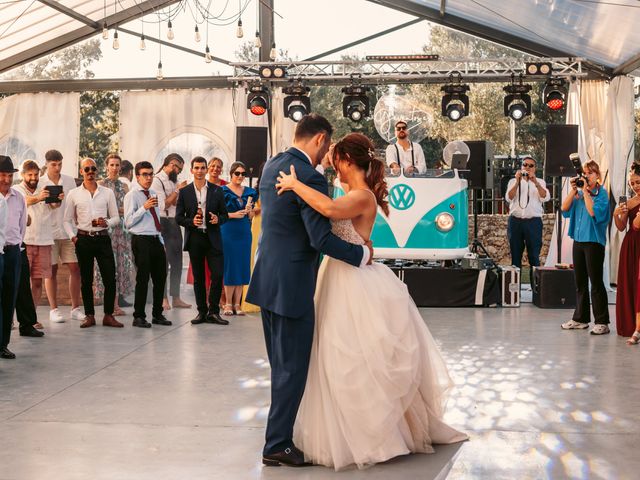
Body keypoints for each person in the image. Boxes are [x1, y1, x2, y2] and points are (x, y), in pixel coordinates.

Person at [275, 132, 467, 470]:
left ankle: (370, 433)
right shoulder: (354, 192)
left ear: (348, 162)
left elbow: (330, 209)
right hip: (339, 275)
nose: (332, 165)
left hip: (354, 281)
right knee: (336, 352)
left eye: (335, 160)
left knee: (355, 355)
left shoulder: (361, 195)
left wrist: (294, 184)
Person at [245, 114, 373, 468]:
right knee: (293, 368)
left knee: (280, 366)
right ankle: (277, 444)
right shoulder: (311, 177)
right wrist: (361, 254)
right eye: (326, 147)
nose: (326, 156)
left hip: (267, 280)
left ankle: (280, 435)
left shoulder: (272, 165)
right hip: (292, 286)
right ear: (319, 139)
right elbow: (320, 238)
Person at [63, 158, 123, 329]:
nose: (90, 171)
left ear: (97, 171)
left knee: (110, 278)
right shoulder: (73, 194)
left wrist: (107, 223)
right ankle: (89, 315)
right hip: (83, 239)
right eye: (86, 169)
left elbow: (116, 218)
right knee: (86, 279)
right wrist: (73, 237)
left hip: (103, 238)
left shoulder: (107, 193)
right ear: (81, 172)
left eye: (93, 169)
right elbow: (66, 220)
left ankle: (108, 315)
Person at [175, 156, 229, 326]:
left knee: (218, 274)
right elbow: (178, 218)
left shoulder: (217, 190)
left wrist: (217, 219)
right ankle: (202, 312)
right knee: (199, 278)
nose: (199, 171)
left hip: (213, 237)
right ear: (191, 170)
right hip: (195, 238)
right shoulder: (184, 192)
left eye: (202, 168)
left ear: (206, 170)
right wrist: (191, 222)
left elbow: (225, 215)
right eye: (196, 168)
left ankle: (214, 312)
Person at [560, 160, 611, 335]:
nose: (587, 176)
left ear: (597, 175)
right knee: (580, 282)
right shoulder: (579, 193)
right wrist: (574, 190)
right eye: (585, 172)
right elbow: (564, 208)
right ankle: (580, 319)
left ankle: (602, 322)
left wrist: (586, 192)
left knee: (596, 282)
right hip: (579, 240)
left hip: (594, 242)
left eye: (590, 173)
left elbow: (593, 212)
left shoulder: (602, 194)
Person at [124, 161, 171, 328]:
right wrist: (144, 207)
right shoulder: (132, 195)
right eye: (145, 174)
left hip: (155, 239)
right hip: (141, 239)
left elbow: (155, 219)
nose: (149, 177)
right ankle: (138, 316)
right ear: (137, 176)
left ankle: (158, 314)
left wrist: (161, 240)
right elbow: (128, 222)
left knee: (160, 278)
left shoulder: (153, 192)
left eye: (151, 174)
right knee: (143, 279)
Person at [40, 149, 83, 323]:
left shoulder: (69, 180)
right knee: (51, 271)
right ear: (47, 164)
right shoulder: (40, 182)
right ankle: (53, 309)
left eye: (60, 164)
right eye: (53, 164)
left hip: (67, 231)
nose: (57, 168)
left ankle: (75, 308)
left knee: (75, 268)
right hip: (48, 233)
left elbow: (75, 205)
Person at [14, 160, 55, 336]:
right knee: (18, 283)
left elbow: (53, 207)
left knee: (37, 281)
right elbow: (24, 201)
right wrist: (39, 197)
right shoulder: (16, 190)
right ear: (23, 175)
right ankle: (11, 319)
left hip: (44, 239)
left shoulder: (45, 186)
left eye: (36, 174)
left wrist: (55, 200)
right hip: (26, 240)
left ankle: (32, 318)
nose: (33, 178)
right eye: (30, 174)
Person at [151, 153, 191, 310]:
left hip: (175, 223)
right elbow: (162, 206)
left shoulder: (175, 181)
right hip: (162, 223)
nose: (176, 169)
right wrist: (178, 191)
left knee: (177, 263)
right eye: (174, 165)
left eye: (179, 168)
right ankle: (163, 298)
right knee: (163, 263)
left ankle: (176, 298)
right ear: (165, 163)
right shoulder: (157, 180)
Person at [95, 154, 133, 314]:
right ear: (106, 167)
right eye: (112, 165)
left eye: (118, 165)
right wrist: (117, 211)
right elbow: (99, 208)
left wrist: (118, 212)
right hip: (106, 230)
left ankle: (115, 304)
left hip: (121, 231)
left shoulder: (124, 186)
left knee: (120, 266)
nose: (115, 168)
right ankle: (110, 305)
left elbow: (127, 209)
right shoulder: (100, 185)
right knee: (106, 266)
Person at [220, 162, 258, 316]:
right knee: (230, 266)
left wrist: (250, 211)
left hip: (244, 230)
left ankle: (237, 304)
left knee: (242, 266)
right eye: (237, 173)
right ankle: (228, 304)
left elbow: (250, 215)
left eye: (243, 174)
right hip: (228, 229)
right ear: (231, 173)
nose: (240, 176)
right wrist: (233, 215)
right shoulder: (222, 190)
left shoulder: (249, 192)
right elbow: (218, 213)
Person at [0, 155, 27, 359]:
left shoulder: (19, 197)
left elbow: (21, 226)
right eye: (2, 175)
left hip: (13, 252)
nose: (6, 179)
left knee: (10, 298)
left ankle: (3, 344)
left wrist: (16, 247)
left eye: (9, 175)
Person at [505, 156, 550, 273]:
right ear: (521, 166)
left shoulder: (540, 182)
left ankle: (536, 290)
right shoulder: (512, 181)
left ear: (535, 168)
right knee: (515, 257)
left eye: (531, 165)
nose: (528, 167)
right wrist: (517, 182)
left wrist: (535, 182)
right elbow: (509, 197)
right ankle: (515, 291)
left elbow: (545, 197)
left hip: (533, 222)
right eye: (525, 165)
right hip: (515, 221)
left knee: (534, 257)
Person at [614, 164, 640, 342]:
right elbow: (622, 226)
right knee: (630, 283)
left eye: (638, 182)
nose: (635, 186)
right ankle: (632, 326)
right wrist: (616, 214)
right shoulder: (629, 202)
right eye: (632, 183)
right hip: (631, 244)